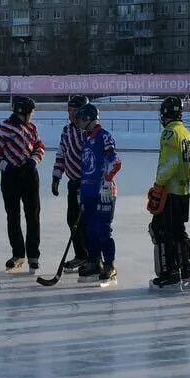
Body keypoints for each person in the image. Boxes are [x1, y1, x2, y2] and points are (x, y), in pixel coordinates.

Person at [0, 94, 45, 271]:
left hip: (29, 176)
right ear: (22, 112)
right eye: (31, 112)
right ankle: (18, 254)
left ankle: (33, 255)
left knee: (33, 216)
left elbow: (39, 147)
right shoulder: (2, 128)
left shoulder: (32, 128)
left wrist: (33, 160)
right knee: (13, 216)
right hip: (10, 177)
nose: (32, 116)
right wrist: (6, 166)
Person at [149, 94, 190, 290]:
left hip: (169, 192)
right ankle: (185, 267)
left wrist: (158, 184)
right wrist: (183, 179)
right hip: (184, 191)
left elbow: (170, 163)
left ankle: (171, 272)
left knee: (165, 231)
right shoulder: (187, 133)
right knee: (179, 231)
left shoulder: (170, 133)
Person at [77, 102, 121, 285]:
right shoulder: (86, 139)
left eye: (81, 119)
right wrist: (81, 188)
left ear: (89, 119)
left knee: (103, 229)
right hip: (88, 191)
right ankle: (94, 261)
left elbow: (115, 161)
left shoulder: (104, 136)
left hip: (104, 191)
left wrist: (107, 181)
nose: (78, 122)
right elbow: (86, 166)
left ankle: (110, 264)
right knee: (90, 230)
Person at [52, 94, 91, 274]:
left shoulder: (90, 131)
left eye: (74, 111)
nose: (71, 114)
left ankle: (91, 257)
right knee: (72, 219)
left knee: (86, 222)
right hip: (73, 182)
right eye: (69, 111)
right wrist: (56, 176)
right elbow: (61, 153)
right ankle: (81, 254)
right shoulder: (67, 131)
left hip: (88, 183)